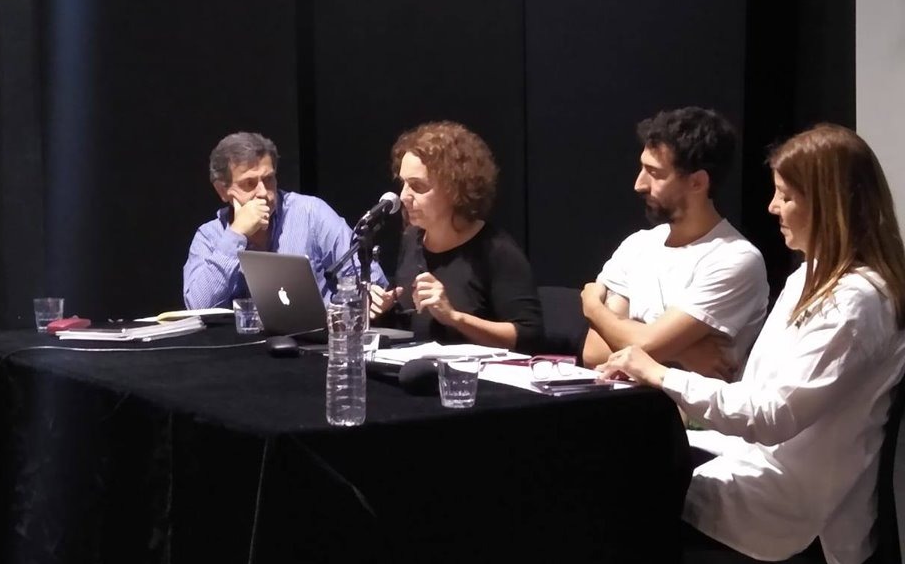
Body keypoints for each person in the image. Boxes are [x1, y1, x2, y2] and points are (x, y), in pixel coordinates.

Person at [597, 124, 905, 564]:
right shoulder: (809, 276)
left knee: (614, 508)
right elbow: (758, 399)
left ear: (828, 204)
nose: (772, 207)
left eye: (786, 196)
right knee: (619, 472)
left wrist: (660, 374)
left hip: (783, 510)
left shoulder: (855, 300)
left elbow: (772, 415)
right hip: (755, 470)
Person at [580, 107, 768, 378]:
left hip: (684, 407)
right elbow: (594, 351)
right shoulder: (637, 245)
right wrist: (683, 351)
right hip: (622, 400)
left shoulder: (735, 258)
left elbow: (646, 345)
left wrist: (593, 308)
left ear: (697, 182)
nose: (639, 184)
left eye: (654, 173)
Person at [370, 121, 543, 353]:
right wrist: (383, 310)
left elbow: (529, 338)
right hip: (420, 368)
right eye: (403, 184)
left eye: (418, 186)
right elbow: (416, 328)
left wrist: (454, 317)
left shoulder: (496, 250)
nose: (403, 196)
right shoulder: (411, 239)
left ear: (455, 190)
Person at [183, 132, 385, 309]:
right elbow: (198, 306)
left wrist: (364, 298)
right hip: (241, 341)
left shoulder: (311, 213)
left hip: (316, 337)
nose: (263, 193)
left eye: (268, 179)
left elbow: (370, 279)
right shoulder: (210, 236)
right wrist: (236, 234)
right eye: (249, 184)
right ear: (222, 190)